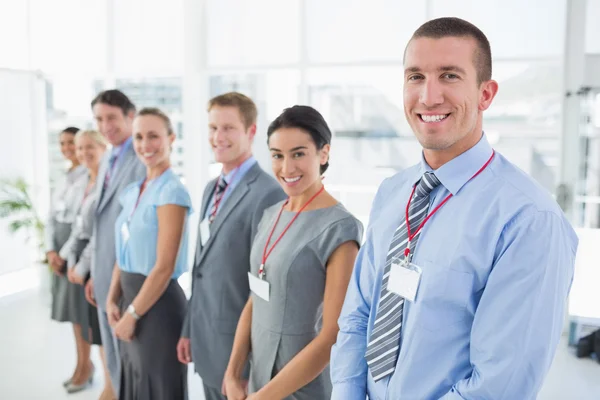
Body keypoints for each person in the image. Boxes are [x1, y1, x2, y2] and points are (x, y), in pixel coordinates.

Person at [330, 17, 578, 400]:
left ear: (485, 94)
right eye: (415, 77)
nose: (429, 97)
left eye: (449, 76)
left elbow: (501, 383)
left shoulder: (529, 220)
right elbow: (358, 315)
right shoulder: (392, 192)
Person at [223, 105, 363, 400]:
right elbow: (256, 296)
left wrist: (264, 397)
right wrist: (234, 372)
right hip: (259, 375)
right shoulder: (272, 213)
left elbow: (331, 337)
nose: (286, 168)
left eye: (298, 153)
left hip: (301, 384)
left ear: (323, 154)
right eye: (277, 155)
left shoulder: (341, 229)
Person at [177, 92, 286, 400]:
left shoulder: (268, 193)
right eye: (213, 128)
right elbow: (200, 266)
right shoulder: (212, 188)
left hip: (239, 354)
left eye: (227, 128)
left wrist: (244, 363)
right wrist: (188, 329)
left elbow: (264, 289)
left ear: (251, 132)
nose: (217, 137)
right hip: (205, 339)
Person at [106, 107, 191, 399]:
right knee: (134, 382)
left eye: (154, 136)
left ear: (171, 139)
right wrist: (111, 298)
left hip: (157, 308)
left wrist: (132, 313)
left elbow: (164, 267)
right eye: (139, 136)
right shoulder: (132, 191)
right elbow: (123, 251)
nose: (145, 144)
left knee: (157, 387)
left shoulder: (172, 192)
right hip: (131, 300)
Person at [86, 89, 145, 399]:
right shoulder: (109, 155)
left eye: (111, 118)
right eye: (99, 119)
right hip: (103, 269)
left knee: (127, 354)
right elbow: (100, 218)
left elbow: (132, 228)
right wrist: (94, 272)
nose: (105, 125)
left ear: (129, 116)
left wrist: (113, 281)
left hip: (123, 275)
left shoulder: (140, 158)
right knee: (111, 351)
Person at [58, 129, 107, 394]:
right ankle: (91, 374)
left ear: (103, 148)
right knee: (88, 326)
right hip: (81, 265)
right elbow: (78, 228)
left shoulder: (106, 183)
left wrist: (81, 266)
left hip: (96, 265)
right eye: (80, 149)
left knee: (100, 334)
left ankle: (110, 388)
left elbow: (99, 232)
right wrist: (66, 258)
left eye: (90, 147)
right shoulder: (84, 182)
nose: (83, 153)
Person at [45, 126, 91, 391]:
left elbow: (81, 222)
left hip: (74, 253)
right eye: (62, 143)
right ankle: (81, 364)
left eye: (72, 143)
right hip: (59, 251)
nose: (67, 149)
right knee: (72, 316)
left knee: (81, 314)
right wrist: (50, 250)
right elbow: (52, 215)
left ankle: (85, 367)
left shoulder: (89, 176)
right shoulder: (63, 177)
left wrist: (63, 255)